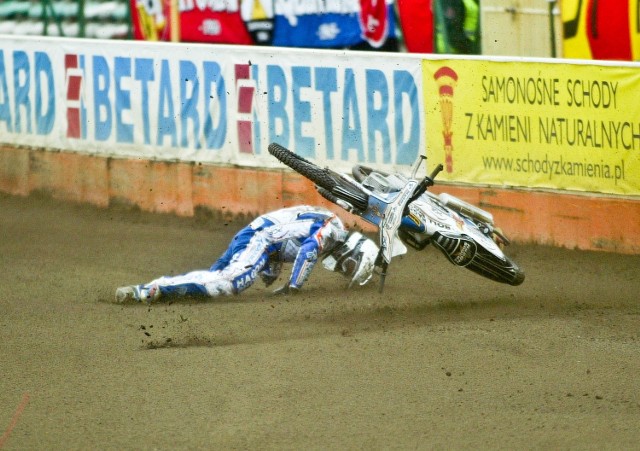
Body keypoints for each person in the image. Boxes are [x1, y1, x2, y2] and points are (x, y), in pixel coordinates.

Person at [115, 205, 379, 303]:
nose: (343, 270)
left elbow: (290, 234)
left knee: (215, 281)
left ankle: (161, 290)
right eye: (350, 266)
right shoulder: (333, 230)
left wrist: (270, 268)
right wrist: (293, 287)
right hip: (259, 240)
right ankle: (150, 289)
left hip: (255, 236)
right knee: (228, 284)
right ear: (353, 251)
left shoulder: (330, 221)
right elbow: (308, 250)